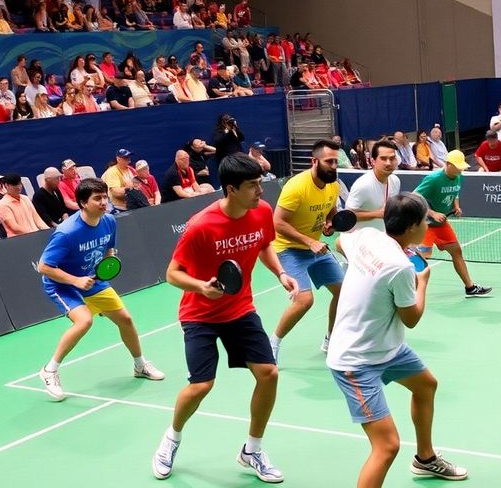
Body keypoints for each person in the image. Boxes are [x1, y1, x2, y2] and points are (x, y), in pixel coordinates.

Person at [153, 153, 296, 483]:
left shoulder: (260, 212)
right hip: (200, 314)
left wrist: (280, 273)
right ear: (230, 189)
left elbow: (264, 246)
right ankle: (171, 439)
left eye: (260, 183)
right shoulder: (200, 226)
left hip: (240, 308)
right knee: (201, 385)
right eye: (252, 186)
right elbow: (173, 274)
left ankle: (252, 450)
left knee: (269, 373)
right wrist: (202, 287)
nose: (260, 191)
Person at [329, 192, 468, 487]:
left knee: (426, 385)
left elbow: (340, 242)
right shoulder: (402, 268)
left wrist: (364, 271)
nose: (427, 226)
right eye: (425, 221)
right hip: (355, 361)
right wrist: (423, 283)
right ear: (411, 228)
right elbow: (411, 318)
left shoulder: (368, 236)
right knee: (387, 446)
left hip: (385, 347)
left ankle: (425, 459)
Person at [36, 178, 165, 401]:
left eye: (105, 196)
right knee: (84, 320)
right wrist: (76, 281)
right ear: (83, 203)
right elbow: (43, 267)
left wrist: (108, 264)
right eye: (98, 198)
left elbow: (108, 250)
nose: (104, 201)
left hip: (93, 279)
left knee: (125, 319)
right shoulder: (67, 233)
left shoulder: (108, 221)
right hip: (63, 284)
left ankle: (139, 365)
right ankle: (49, 370)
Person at [269, 141, 345, 362]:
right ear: (314, 161)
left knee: (344, 292)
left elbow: (331, 209)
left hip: (316, 247)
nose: (333, 166)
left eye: (335, 161)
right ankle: (273, 342)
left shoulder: (333, 184)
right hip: (289, 249)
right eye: (328, 161)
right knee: (304, 300)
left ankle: (331, 339)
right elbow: (277, 223)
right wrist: (309, 242)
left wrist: (330, 223)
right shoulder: (296, 186)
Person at [413, 150, 492, 297]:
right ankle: (410, 290)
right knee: (422, 258)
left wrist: (456, 206)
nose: (461, 169)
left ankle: (470, 287)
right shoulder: (434, 178)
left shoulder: (458, 176)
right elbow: (415, 197)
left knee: (456, 251)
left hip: (442, 224)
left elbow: (455, 193)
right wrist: (432, 213)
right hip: (424, 225)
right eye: (457, 166)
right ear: (448, 164)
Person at [345, 140, 401, 231]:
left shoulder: (395, 181)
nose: (388, 163)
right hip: (359, 240)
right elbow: (347, 216)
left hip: (381, 237)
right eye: (383, 158)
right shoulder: (363, 185)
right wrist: (378, 214)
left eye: (392, 158)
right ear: (373, 161)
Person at [0, 173, 49, 237]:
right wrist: (34, 233)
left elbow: (37, 219)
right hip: (18, 240)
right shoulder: (2, 204)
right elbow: (14, 227)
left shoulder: (25, 198)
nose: (18, 187)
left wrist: (48, 231)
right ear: (6, 186)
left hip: (35, 235)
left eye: (19, 183)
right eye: (14, 184)